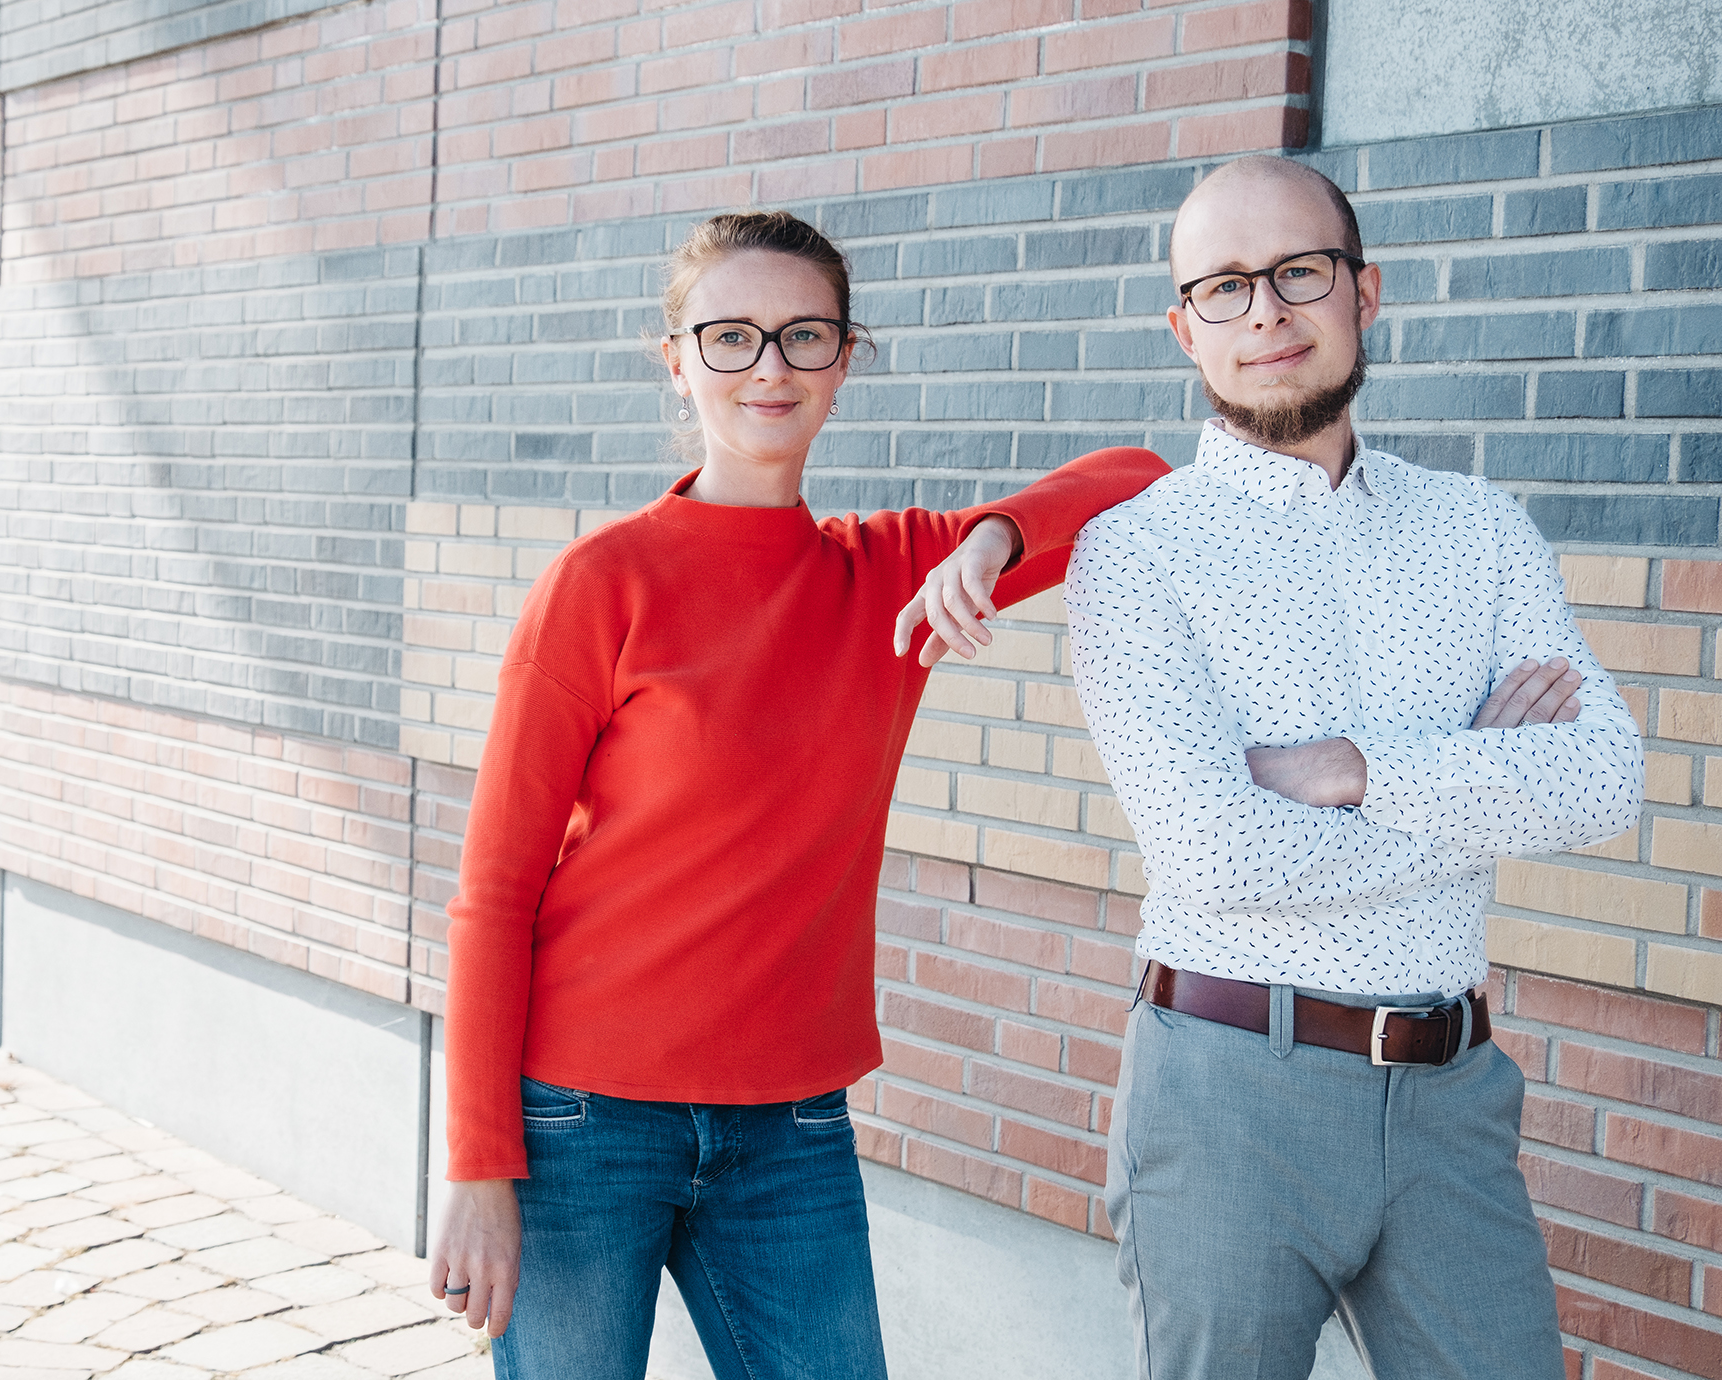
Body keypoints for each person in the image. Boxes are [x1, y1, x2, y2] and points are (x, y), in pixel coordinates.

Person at [428, 209, 1169, 1380]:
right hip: (579, 1119)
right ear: (677, 363)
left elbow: (1140, 481)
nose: (769, 367)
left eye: (804, 336)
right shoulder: (600, 584)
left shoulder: (895, 574)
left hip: (790, 1131)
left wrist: (992, 539)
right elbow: (494, 891)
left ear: (844, 361)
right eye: (731, 337)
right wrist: (479, 1162)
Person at [1065, 155, 1644, 1379]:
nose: (1266, 312)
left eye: (1299, 271)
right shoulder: (1135, 553)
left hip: (1453, 1099)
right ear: (1185, 328)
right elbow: (1215, 856)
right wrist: (1481, 787)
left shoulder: (1481, 529)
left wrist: (1356, 769)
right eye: (1224, 287)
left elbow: (1602, 779)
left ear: (1364, 292)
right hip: (1228, 1096)